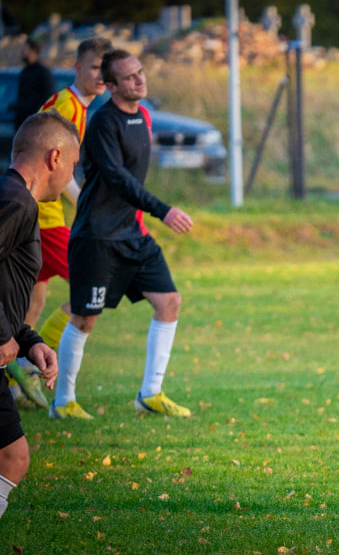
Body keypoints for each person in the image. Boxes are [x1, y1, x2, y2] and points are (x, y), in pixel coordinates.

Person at [51, 49, 194, 420]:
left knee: (169, 302)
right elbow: (118, 179)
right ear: (111, 86)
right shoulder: (102, 123)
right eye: (129, 77)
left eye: (140, 73)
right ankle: (63, 402)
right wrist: (163, 210)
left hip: (132, 235)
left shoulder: (143, 116)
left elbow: (131, 182)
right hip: (97, 237)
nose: (139, 80)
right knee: (85, 318)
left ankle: (151, 394)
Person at [7, 37, 113, 411]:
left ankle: (17, 369)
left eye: (107, 68)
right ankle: (33, 371)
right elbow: (54, 162)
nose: (103, 76)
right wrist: (86, 203)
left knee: (33, 295)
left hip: (44, 213)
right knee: (91, 284)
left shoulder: (83, 108)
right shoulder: (67, 104)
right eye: (96, 67)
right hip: (47, 217)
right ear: (78, 68)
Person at [0, 110, 79, 518]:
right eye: (73, 165)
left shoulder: (17, 199)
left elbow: (6, 286)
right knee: (12, 458)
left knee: (12, 457)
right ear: (54, 158)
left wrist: (30, 342)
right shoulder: (14, 201)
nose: (71, 178)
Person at [14, 38, 55, 131]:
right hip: (21, 124)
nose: (22, 52)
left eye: (25, 49)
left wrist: (37, 117)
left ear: (34, 51)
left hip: (35, 124)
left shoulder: (43, 72)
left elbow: (48, 98)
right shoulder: (24, 72)